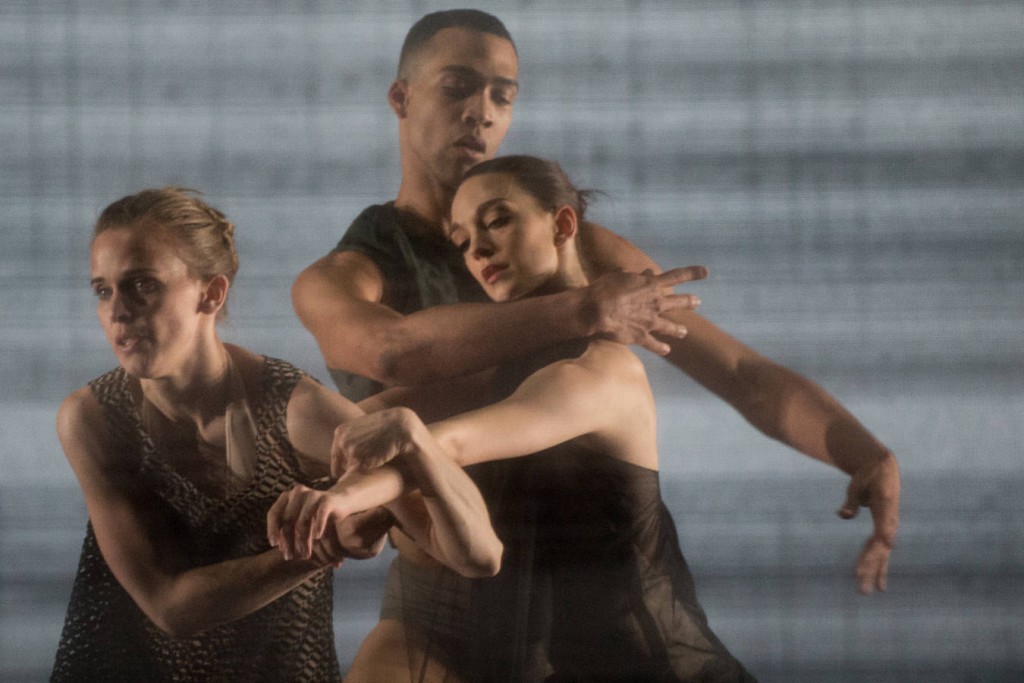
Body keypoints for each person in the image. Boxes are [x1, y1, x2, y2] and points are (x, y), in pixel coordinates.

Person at [293, 8, 898, 592]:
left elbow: (739, 373)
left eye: (503, 96)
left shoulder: (573, 247)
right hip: (443, 583)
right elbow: (394, 353)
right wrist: (582, 310)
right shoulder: (342, 275)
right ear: (400, 98)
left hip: (582, 566)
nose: (481, 113)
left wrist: (864, 453)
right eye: (458, 88)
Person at [274, 156, 759, 681]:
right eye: (461, 241)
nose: (476, 250)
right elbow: (360, 418)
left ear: (562, 224)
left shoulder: (599, 372)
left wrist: (343, 497)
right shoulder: (496, 374)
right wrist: (343, 505)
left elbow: (446, 445)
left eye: (498, 220)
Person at [50, 187, 502, 681]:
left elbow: (479, 555)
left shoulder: (297, 412)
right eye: (103, 290)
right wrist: (316, 546)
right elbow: (169, 607)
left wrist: (413, 438)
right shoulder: (93, 417)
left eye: (142, 286)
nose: (116, 312)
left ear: (211, 292)